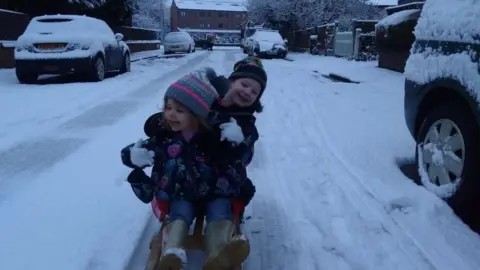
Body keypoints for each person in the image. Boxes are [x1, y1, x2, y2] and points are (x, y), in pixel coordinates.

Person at [122, 69, 250, 270]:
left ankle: (219, 253)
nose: (171, 114)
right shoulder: (164, 137)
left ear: (197, 114)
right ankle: (172, 252)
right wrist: (132, 155)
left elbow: (242, 159)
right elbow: (137, 151)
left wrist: (239, 142)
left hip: (215, 191)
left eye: (179, 110)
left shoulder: (215, 134)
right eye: (168, 107)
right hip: (181, 193)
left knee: (219, 212)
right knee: (180, 214)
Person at [142, 57, 268, 219]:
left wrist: (239, 142)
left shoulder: (246, 122)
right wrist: (161, 123)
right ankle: (177, 218)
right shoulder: (207, 98)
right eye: (244, 84)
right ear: (231, 81)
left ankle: (222, 222)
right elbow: (181, 111)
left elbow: (246, 156)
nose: (247, 92)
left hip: (219, 173)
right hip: (191, 164)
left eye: (254, 92)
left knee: (229, 193)